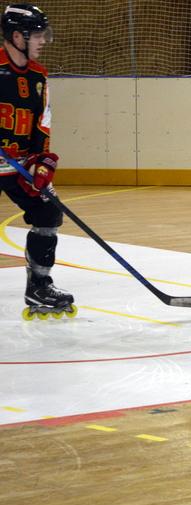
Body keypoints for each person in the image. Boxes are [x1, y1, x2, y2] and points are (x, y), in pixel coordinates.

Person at [0, 4, 72, 319]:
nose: (43, 41)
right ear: (18, 36)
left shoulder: (38, 76)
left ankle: (39, 285)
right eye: (38, 35)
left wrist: (41, 162)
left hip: (16, 164)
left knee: (48, 210)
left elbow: (42, 123)